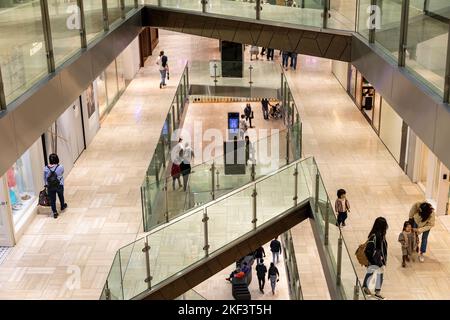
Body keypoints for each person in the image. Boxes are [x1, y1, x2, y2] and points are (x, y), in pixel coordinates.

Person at [361, 217, 388, 299]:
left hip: (376, 260)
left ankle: (365, 287)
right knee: (379, 274)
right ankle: (377, 292)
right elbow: (368, 251)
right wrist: (373, 262)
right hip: (376, 261)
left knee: (370, 272)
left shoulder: (379, 234)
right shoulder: (376, 236)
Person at [43, 153, 67, 219]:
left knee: (52, 200)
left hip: (50, 186)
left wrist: (46, 185)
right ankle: (62, 206)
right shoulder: (61, 167)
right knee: (61, 196)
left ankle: (55, 212)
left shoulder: (46, 168)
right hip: (59, 184)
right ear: (57, 159)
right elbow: (62, 173)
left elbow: (45, 178)